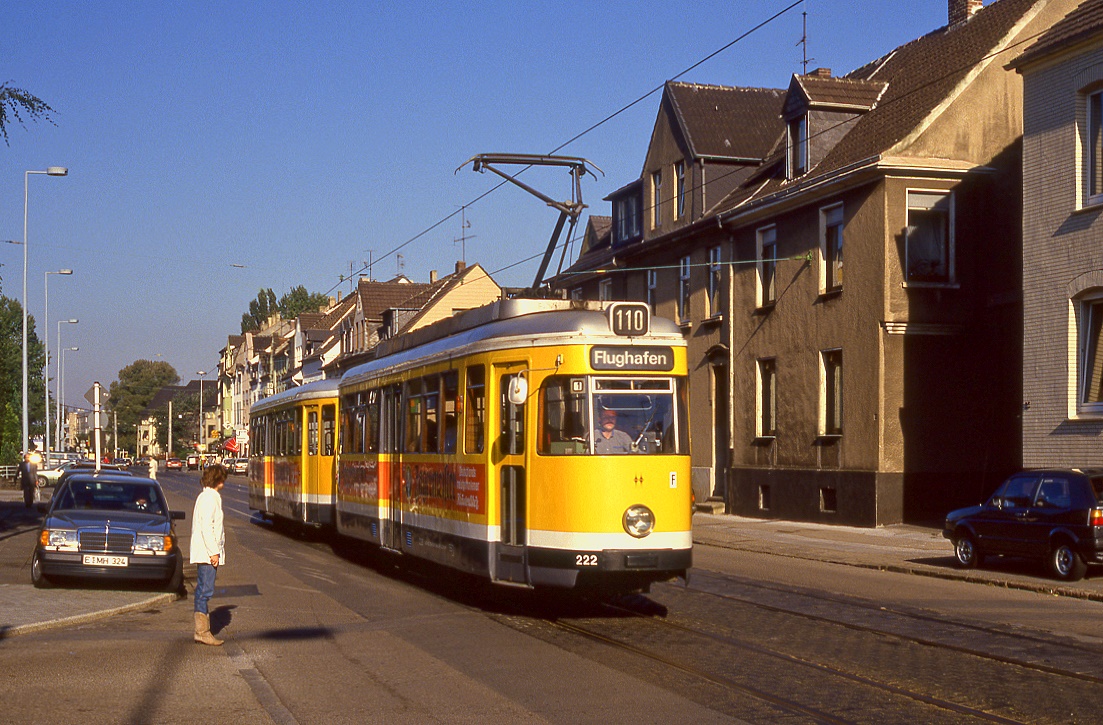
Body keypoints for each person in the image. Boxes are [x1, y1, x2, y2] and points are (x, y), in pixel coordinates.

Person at [190, 464, 227, 646]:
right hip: (207, 553)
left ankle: (202, 631)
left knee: (203, 590)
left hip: (207, 552)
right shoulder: (208, 499)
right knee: (205, 591)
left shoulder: (208, 497)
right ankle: (202, 632)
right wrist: (214, 552)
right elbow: (207, 528)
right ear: (218, 480)